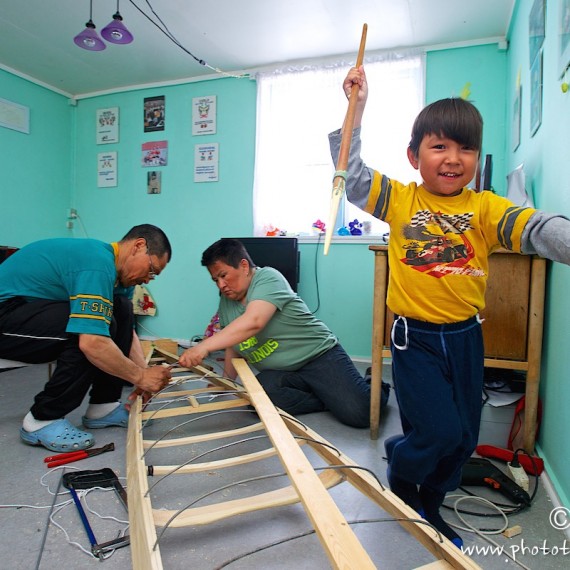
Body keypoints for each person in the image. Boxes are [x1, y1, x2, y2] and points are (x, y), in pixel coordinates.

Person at [330, 66, 570, 548]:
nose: (453, 159)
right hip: (413, 339)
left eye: (465, 148)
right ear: (414, 155)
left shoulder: (484, 207)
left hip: (465, 337)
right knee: (438, 433)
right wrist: (356, 108)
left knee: (462, 439)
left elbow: (537, 228)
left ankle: (431, 499)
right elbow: (351, 178)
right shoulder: (399, 199)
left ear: (477, 158)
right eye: (439, 146)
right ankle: (403, 473)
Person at [179, 238, 388, 428]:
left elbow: (253, 322)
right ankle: (330, 396)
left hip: (319, 357)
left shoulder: (268, 278)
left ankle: (372, 384)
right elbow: (234, 346)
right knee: (256, 401)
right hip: (283, 373)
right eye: (215, 280)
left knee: (361, 414)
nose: (221, 285)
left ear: (243, 266)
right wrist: (225, 383)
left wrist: (203, 346)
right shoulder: (226, 302)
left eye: (223, 276)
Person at [0, 224, 173, 452]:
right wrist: (141, 376)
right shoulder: (98, 264)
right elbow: (92, 342)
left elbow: (127, 332)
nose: (149, 279)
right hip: (6, 312)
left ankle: (104, 406)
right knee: (88, 329)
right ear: (138, 246)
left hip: (28, 311)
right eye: (152, 270)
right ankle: (42, 420)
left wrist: (143, 376)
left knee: (120, 309)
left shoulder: (119, 278)